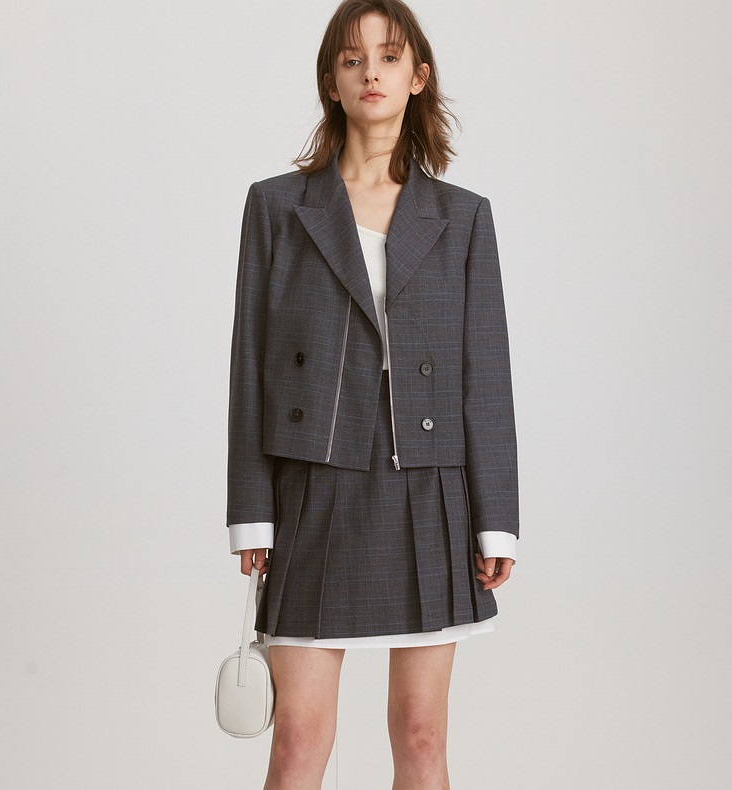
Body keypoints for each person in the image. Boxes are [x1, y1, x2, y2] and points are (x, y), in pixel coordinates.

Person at [226, 1, 519, 787]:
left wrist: (496, 519)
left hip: (427, 488)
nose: (371, 73)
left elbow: (485, 374)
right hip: (312, 484)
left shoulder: (463, 218)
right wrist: (251, 508)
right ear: (331, 80)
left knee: (421, 736)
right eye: (352, 59)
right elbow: (250, 363)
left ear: (418, 76)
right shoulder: (276, 207)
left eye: (388, 57)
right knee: (298, 738)